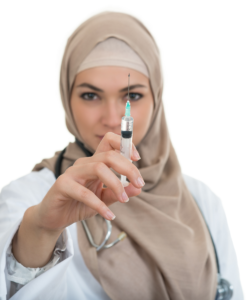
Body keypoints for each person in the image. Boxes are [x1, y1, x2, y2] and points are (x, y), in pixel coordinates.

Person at [0, 12, 243, 300]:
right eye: (91, 95)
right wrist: (41, 229)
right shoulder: (31, 197)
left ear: (157, 98)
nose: (113, 118)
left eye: (133, 97)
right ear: (67, 97)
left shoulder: (201, 201)